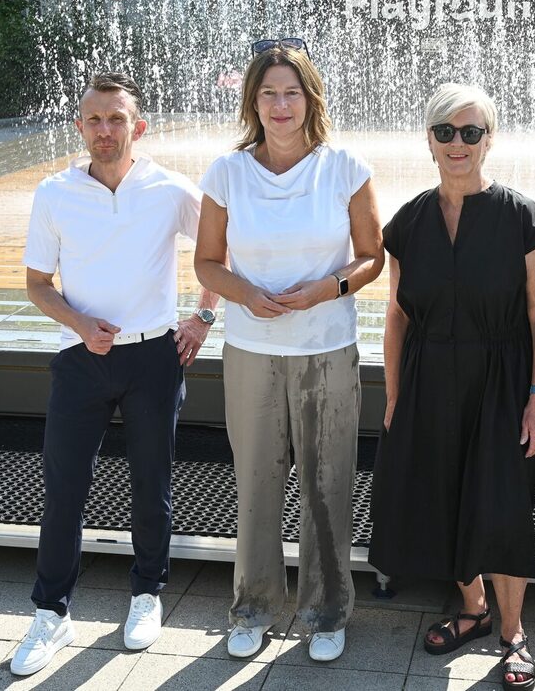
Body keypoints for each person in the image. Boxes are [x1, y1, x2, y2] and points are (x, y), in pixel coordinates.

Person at [12, 71, 218, 676]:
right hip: (81, 361)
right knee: (64, 492)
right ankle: (52, 612)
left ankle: (147, 594)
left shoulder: (169, 189)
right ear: (80, 126)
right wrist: (79, 325)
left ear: (139, 126)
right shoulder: (54, 192)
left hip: (155, 356)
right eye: (94, 120)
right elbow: (36, 285)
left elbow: (217, 250)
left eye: (116, 119)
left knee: (151, 485)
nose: (105, 130)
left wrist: (202, 317)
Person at [194, 38, 383, 663]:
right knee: (256, 485)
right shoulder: (226, 172)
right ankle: (254, 607)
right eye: (269, 92)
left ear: (310, 97)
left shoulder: (344, 167)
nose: (280, 104)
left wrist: (327, 289)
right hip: (250, 350)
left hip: (327, 347)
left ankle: (326, 612)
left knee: (327, 486)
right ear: (253, 99)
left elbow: (372, 257)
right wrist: (244, 293)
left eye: (291, 92)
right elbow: (207, 263)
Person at [368, 83, 535, 690]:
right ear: (429, 140)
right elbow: (397, 315)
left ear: (490, 140)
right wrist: (395, 395)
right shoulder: (408, 222)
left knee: (503, 507)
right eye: (446, 132)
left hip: (502, 381)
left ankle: (513, 632)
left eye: (471, 132)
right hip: (428, 379)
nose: (458, 143)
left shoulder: (522, 219)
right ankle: (473, 609)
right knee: (443, 496)